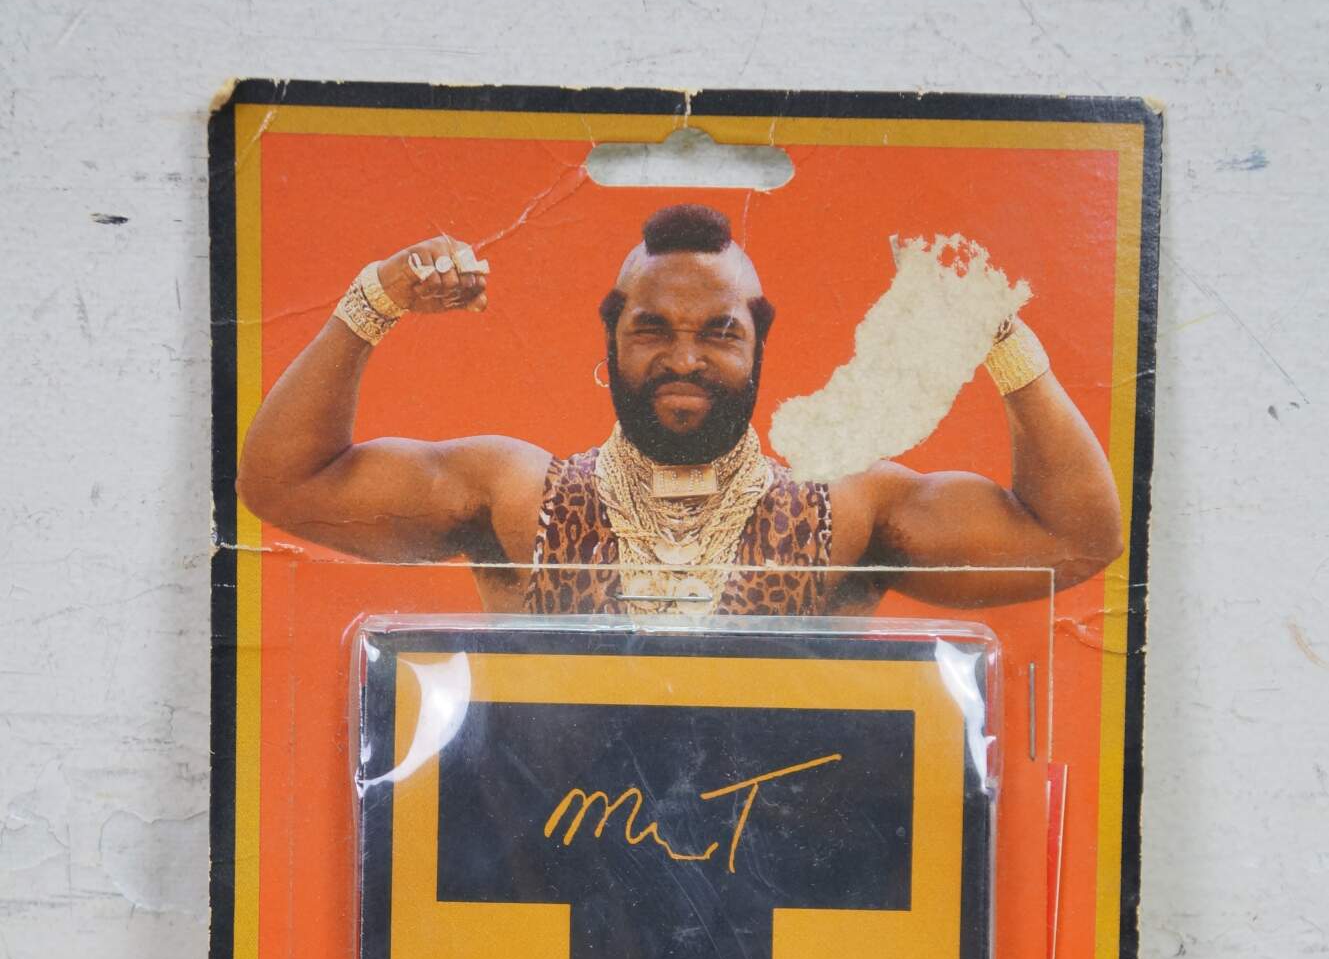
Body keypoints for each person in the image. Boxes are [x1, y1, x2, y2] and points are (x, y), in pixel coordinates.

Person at [238, 203, 1122, 615]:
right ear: (611, 341)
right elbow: (285, 484)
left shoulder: (846, 511)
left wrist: (999, 336)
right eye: (652, 329)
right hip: (543, 881)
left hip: (790, 892)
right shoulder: (516, 499)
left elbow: (1073, 541)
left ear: (759, 346)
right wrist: (373, 301)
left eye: (718, 333)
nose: (685, 358)